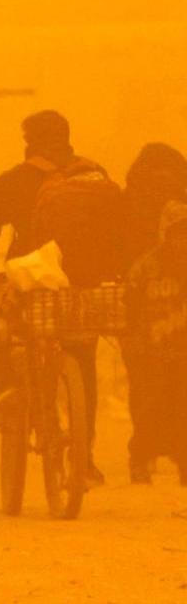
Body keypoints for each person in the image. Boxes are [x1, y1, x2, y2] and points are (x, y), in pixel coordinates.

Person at [0, 110, 125, 485]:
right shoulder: (94, 175)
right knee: (82, 357)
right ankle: (86, 456)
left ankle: (9, 388)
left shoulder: (15, 181)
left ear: (29, 141)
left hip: (33, 283)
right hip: (84, 287)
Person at [121, 144, 187, 481]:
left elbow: (129, 297)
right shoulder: (151, 264)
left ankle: (144, 459)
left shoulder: (130, 200)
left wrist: (128, 334)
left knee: (146, 399)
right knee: (177, 401)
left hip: (148, 344)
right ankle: (172, 457)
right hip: (159, 342)